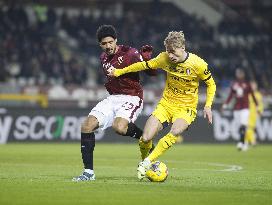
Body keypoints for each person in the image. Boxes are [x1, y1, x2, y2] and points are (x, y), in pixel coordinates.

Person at [109, 31, 216, 179]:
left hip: (186, 108)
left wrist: (208, 105)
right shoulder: (164, 58)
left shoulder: (198, 64)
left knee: (176, 130)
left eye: (173, 52)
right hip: (166, 105)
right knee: (145, 138)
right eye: (168, 51)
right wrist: (120, 71)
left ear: (183, 47)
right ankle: (145, 163)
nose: (170, 55)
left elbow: (211, 84)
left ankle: (147, 162)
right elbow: (143, 65)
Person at [73, 25, 156, 181]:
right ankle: (88, 173)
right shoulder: (103, 58)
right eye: (104, 44)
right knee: (86, 126)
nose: (108, 46)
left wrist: (147, 59)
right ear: (100, 45)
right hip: (113, 98)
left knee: (119, 127)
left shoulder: (130, 53)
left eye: (110, 42)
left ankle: (145, 139)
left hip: (132, 97)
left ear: (116, 40)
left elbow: (152, 72)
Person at [222, 69, 259, 151]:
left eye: (240, 74)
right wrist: (225, 104)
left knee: (243, 125)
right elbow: (230, 96)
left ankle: (240, 142)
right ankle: (244, 143)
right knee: (240, 127)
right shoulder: (234, 84)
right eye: (238, 74)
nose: (239, 75)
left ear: (243, 75)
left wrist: (256, 105)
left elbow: (252, 95)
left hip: (245, 107)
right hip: (237, 108)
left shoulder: (247, 84)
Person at [245, 81, 263, 146]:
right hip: (247, 113)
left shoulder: (258, 95)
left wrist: (260, 111)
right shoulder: (248, 94)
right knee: (248, 127)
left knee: (252, 128)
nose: (253, 87)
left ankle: (248, 141)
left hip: (255, 113)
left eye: (254, 86)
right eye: (252, 86)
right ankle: (252, 141)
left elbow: (260, 104)